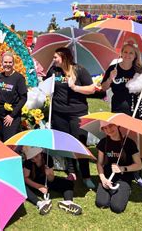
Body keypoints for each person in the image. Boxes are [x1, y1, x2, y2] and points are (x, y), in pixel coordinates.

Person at [46, 47, 96, 189]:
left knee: (80, 144)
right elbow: (45, 84)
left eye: (56, 57)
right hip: (58, 113)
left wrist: (75, 87)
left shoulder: (79, 70)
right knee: (66, 143)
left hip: (77, 113)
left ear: (65, 57)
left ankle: (86, 175)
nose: (53, 59)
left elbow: (92, 89)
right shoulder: (53, 71)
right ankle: (72, 171)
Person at [101, 43, 142, 189]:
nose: (128, 55)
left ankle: (136, 172)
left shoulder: (139, 70)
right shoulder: (113, 68)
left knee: (133, 142)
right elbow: (103, 88)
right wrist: (110, 78)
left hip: (134, 110)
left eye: (131, 53)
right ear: (121, 53)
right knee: (117, 138)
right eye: (125, 52)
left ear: (135, 56)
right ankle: (117, 166)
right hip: (117, 110)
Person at [95, 121, 142, 213]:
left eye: (111, 125)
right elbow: (99, 163)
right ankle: (114, 191)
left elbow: (139, 165)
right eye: (105, 128)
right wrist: (103, 179)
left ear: (117, 125)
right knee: (101, 203)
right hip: (108, 176)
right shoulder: (103, 142)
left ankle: (124, 190)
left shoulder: (129, 143)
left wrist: (122, 168)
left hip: (124, 177)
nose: (108, 129)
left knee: (117, 207)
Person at [23, 147, 83, 216]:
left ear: (40, 153)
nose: (34, 160)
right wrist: (39, 187)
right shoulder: (28, 162)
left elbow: (51, 179)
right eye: (32, 159)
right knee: (23, 188)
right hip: (32, 182)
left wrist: (48, 174)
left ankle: (68, 202)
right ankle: (39, 203)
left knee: (68, 182)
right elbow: (26, 178)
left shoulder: (47, 158)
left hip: (45, 180)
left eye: (36, 156)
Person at [0, 51, 27, 141]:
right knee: (0, 141)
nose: (7, 64)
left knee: (9, 142)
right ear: (2, 63)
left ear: (13, 63)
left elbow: (24, 98)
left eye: (10, 62)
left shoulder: (19, 78)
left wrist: (12, 115)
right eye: (5, 62)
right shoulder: (0, 77)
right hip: (0, 114)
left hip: (11, 116)